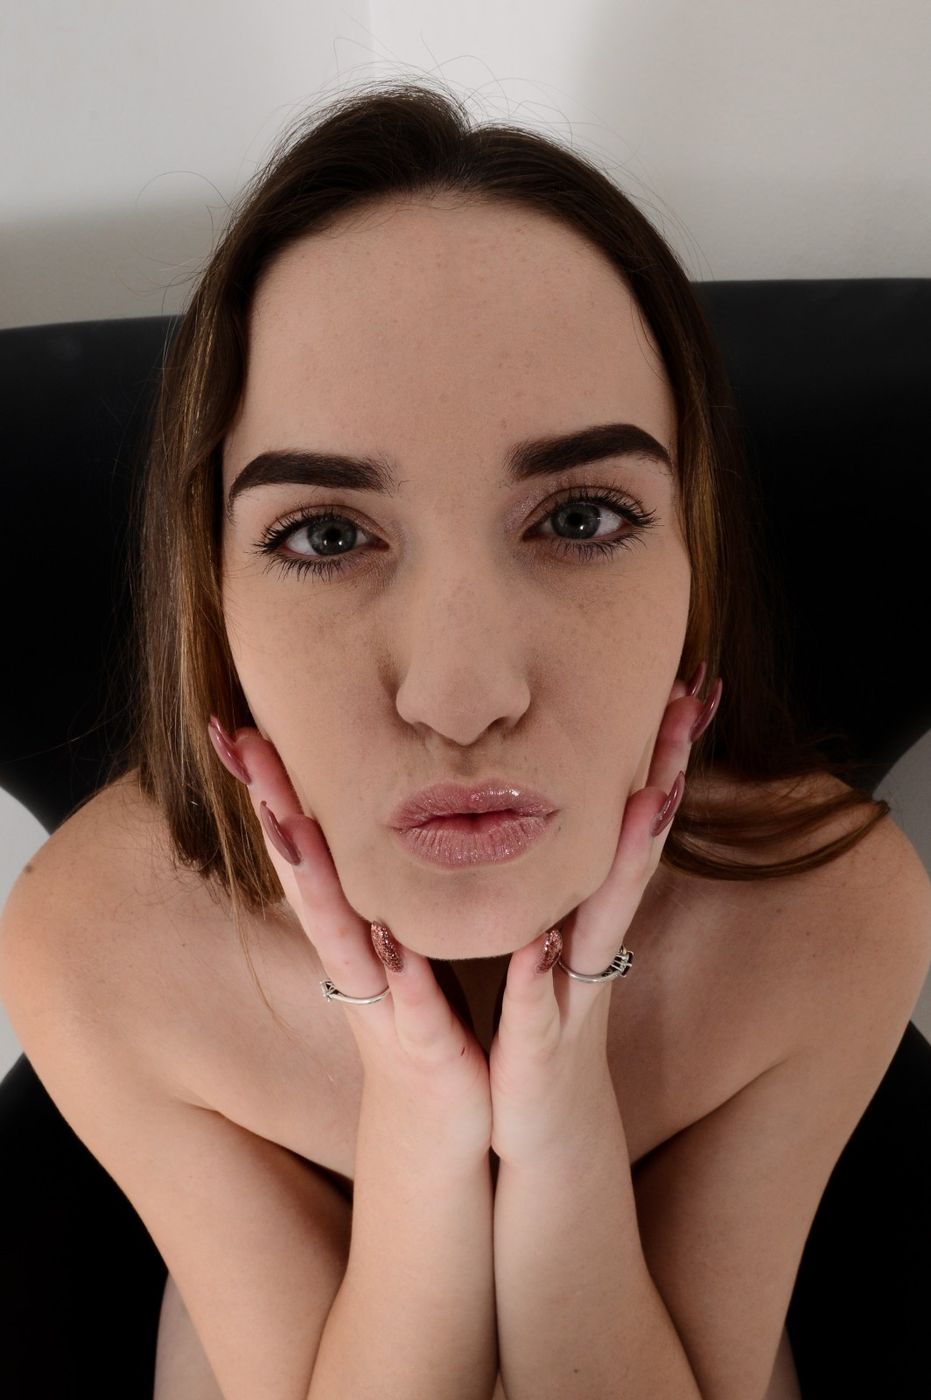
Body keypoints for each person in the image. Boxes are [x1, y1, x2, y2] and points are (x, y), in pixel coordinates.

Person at [2, 78, 928, 1400]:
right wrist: (420, 1114)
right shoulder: (104, 950)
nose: (460, 696)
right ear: (211, 595)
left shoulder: (826, 921)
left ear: (698, 561)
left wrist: (562, 1124)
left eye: (582, 519)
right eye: (326, 534)